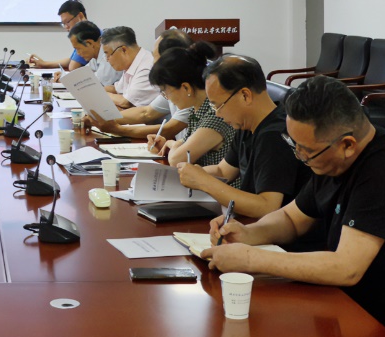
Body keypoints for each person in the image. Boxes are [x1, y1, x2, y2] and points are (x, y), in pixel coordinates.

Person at [202, 76, 385, 337]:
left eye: (305, 150)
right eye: (295, 146)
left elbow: (346, 268)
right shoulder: (330, 158)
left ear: (347, 145)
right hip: (358, 313)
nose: (300, 156)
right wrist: (248, 233)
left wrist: (250, 258)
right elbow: (292, 218)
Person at [176, 54, 311, 219]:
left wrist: (203, 182)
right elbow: (223, 171)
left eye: (218, 105)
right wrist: (188, 174)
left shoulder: (275, 136)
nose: (217, 114)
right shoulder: (247, 123)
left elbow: (267, 206)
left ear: (245, 95)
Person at [146, 44, 238, 182]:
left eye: (166, 92)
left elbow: (176, 160)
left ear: (185, 87)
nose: (167, 98)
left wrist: (174, 145)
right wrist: (170, 143)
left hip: (217, 192)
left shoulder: (216, 115)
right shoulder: (198, 109)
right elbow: (186, 143)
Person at [86, 30, 192, 140]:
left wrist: (116, 129)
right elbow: (146, 112)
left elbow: (168, 129)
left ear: (171, 59)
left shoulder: (190, 89)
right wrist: (100, 118)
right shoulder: (173, 85)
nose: (153, 63)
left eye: (155, 58)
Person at [101, 26, 157, 109]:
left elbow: (126, 102)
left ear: (123, 50)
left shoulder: (146, 68)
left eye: (108, 54)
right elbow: (116, 89)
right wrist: (94, 91)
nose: (107, 59)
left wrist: (101, 94)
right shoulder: (132, 63)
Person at [27, 0, 89, 70]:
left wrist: (44, 64)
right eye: (63, 24)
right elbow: (72, 60)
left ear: (80, 16)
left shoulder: (88, 35)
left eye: (67, 22)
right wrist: (44, 63)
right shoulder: (83, 34)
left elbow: (73, 67)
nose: (66, 27)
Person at [66, 21, 121, 86]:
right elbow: (82, 73)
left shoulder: (108, 57)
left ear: (90, 43)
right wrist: (64, 76)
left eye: (78, 49)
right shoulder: (95, 57)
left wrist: (69, 80)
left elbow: (95, 83)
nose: (78, 54)